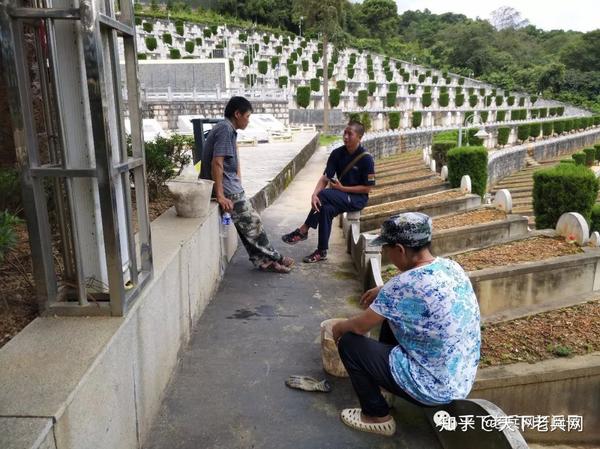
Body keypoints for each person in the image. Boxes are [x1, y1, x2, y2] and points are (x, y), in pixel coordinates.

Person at [331, 212, 481, 436]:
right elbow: (418, 289)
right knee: (391, 318)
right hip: (459, 379)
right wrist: (385, 292)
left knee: (350, 343)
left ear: (399, 250)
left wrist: (337, 329)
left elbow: (359, 327)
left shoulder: (403, 285)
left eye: (387, 249)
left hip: (431, 388)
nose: (386, 254)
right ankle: (387, 386)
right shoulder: (451, 267)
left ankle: (376, 416)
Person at [200, 96, 294, 273]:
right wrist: (220, 195)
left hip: (231, 186)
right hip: (227, 190)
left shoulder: (227, 129)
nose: (248, 120)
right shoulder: (225, 129)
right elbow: (216, 162)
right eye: (247, 116)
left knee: (248, 228)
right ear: (237, 114)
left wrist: (238, 181)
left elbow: (230, 161)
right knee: (253, 225)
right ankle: (276, 257)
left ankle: (264, 262)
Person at [281, 121, 375, 263]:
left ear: (359, 137)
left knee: (324, 195)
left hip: (356, 199)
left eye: (350, 134)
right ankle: (321, 251)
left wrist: (343, 189)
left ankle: (304, 230)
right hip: (339, 195)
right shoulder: (337, 153)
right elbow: (325, 177)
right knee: (326, 209)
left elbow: (367, 188)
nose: (346, 136)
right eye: (345, 133)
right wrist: (314, 195)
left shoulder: (366, 159)